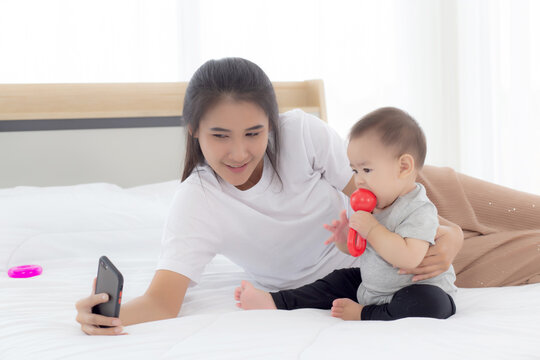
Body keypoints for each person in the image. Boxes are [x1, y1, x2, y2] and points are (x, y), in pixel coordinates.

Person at [75, 57, 539, 335]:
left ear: (272, 124)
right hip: (387, 270)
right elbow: (162, 302)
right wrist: (105, 316)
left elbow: (375, 197)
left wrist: (450, 233)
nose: (239, 152)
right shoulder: (196, 204)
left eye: (255, 132)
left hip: (410, 200)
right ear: (194, 131)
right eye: (220, 135)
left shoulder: (301, 133)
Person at [234, 107, 457, 321]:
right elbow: (357, 250)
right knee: (338, 279)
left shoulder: (418, 209)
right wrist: (344, 239)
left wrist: (371, 229)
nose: (358, 180)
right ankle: (275, 301)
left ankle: (365, 314)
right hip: (374, 287)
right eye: (354, 170)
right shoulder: (374, 205)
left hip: (412, 289)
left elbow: (409, 258)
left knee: (430, 302)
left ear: (404, 167)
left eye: (367, 170)